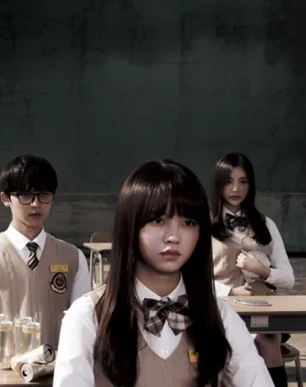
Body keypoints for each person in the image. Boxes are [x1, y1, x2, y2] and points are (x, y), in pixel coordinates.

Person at [52, 159, 273, 386]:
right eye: (158, 220)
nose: (173, 236)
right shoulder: (88, 317)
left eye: (188, 222)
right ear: (131, 225)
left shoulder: (221, 317)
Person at [0, 154, 90, 349]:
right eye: (25, 195)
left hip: (58, 366)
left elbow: (84, 324)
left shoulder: (73, 257)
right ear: (6, 198)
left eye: (44, 194)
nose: (36, 204)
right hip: (3, 365)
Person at [209, 152, 295, 387]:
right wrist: (230, 292)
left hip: (262, 311)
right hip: (221, 309)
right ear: (218, 185)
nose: (236, 189)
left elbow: (288, 278)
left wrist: (264, 271)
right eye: (228, 181)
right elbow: (193, 278)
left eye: (243, 181)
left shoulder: (266, 224)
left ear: (251, 184)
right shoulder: (203, 225)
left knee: (266, 339)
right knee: (233, 346)